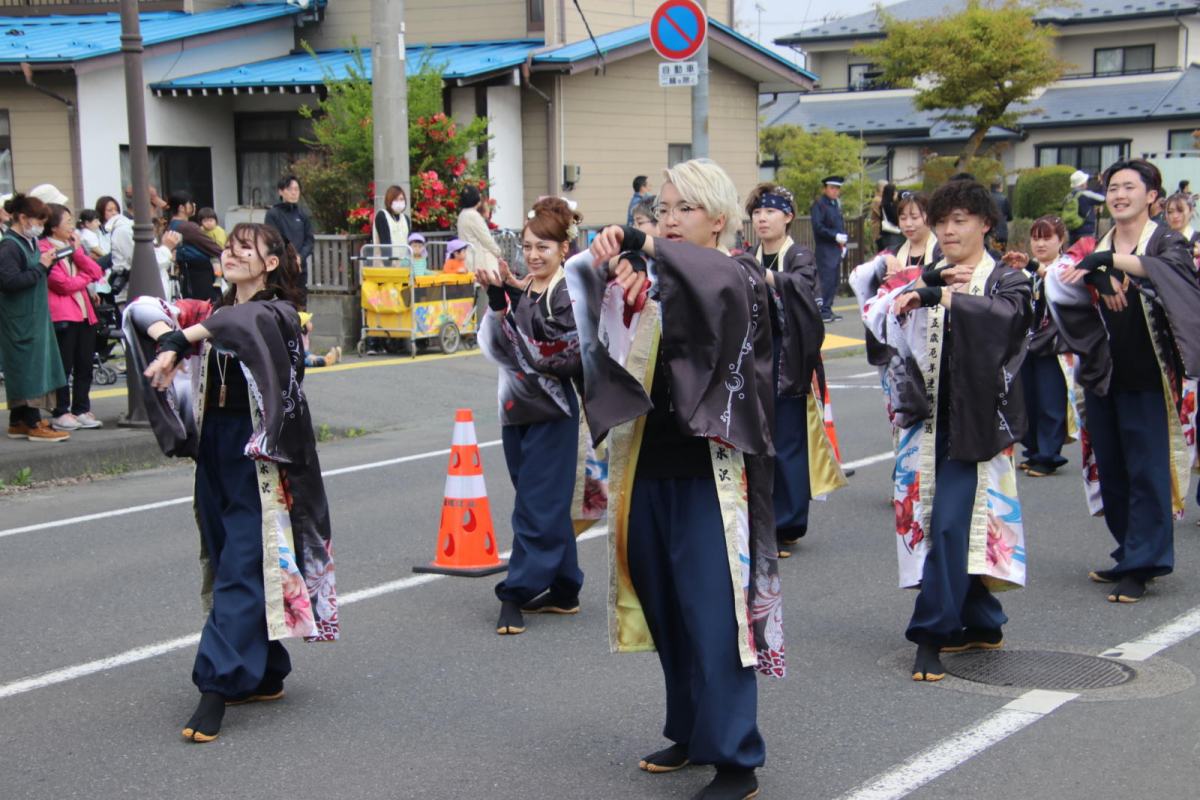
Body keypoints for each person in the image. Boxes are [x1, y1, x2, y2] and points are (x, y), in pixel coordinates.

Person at [569, 159, 783, 800]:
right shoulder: (651, 281)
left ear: (719, 219)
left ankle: (737, 757)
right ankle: (690, 728)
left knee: (714, 614)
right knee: (665, 603)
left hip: (710, 474)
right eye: (661, 209)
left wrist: (645, 248)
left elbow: (713, 284)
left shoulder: (740, 274)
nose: (668, 219)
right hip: (648, 465)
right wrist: (610, 284)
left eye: (684, 209)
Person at [126, 222, 338, 744]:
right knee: (227, 557)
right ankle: (266, 669)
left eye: (247, 247)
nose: (233, 252)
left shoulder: (281, 314)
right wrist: (169, 340)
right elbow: (141, 307)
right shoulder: (207, 312)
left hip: (257, 453)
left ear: (270, 263)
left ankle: (215, 687)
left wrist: (186, 337)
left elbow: (243, 324)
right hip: (213, 449)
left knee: (244, 564)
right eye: (229, 245)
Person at [865, 178, 1032, 682]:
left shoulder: (1008, 279)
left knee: (951, 524)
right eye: (943, 221)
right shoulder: (925, 272)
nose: (950, 229)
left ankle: (930, 635)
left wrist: (943, 298)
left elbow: (1009, 320)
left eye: (961, 219)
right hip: (925, 426)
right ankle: (982, 620)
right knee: (940, 521)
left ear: (986, 223)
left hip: (977, 430)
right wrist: (915, 291)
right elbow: (878, 318)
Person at [1047, 158, 1200, 603]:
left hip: (1149, 372)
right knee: (1110, 466)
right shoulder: (1094, 244)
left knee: (1147, 468)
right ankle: (1126, 550)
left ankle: (1144, 562)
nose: (1118, 195)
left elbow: (1173, 278)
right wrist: (1097, 269)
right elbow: (1060, 279)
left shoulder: (1167, 240)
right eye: (1113, 187)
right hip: (1101, 369)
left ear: (1152, 196)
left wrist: (1110, 261)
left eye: (1129, 187)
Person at [475, 197, 586, 636]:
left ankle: (515, 592)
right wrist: (502, 296)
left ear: (563, 249)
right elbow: (498, 346)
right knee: (543, 499)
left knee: (535, 504)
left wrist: (505, 300)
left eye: (544, 247)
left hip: (552, 410)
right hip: (516, 406)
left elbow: (554, 353)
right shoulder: (530, 288)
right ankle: (564, 586)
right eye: (528, 246)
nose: (534, 255)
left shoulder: (569, 291)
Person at [746, 182, 847, 558]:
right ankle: (763, 518)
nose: (762, 218)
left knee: (787, 441)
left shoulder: (798, 255)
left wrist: (761, 275)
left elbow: (804, 292)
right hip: (754, 357)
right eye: (757, 212)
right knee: (758, 441)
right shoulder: (749, 253)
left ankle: (787, 521)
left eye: (770, 211)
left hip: (787, 357)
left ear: (788, 217)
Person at [850, 193, 940, 446]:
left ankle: (927, 469)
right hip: (897, 344)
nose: (908, 223)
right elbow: (859, 278)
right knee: (900, 406)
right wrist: (882, 261)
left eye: (915, 216)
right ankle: (904, 463)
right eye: (903, 217)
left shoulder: (941, 251)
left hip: (930, 341)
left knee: (933, 405)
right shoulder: (892, 253)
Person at [1002, 215, 1071, 477]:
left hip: (1054, 345)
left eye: (1047, 238)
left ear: (1060, 240)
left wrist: (1033, 266)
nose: (1040, 244)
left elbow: (1060, 285)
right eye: (1036, 238)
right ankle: (1033, 449)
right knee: (1027, 398)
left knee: (1050, 401)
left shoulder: (1065, 267)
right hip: (1026, 343)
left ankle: (1049, 454)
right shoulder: (1023, 270)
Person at [0, 193, 69, 442]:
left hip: (31, 315)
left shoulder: (26, 242)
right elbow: (8, 282)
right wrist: (41, 267)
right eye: (38, 221)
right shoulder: (9, 245)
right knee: (26, 367)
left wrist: (44, 264)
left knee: (33, 365)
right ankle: (32, 421)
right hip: (20, 318)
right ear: (23, 218)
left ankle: (18, 420)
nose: (40, 226)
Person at [42, 203, 104, 431]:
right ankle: (61, 411)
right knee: (64, 366)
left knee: (85, 365)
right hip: (63, 315)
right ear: (53, 226)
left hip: (85, 313)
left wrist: (77, 250)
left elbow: (96, 271)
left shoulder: (72, 246)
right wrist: (86, 278)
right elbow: (62, 284)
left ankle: (81, 408)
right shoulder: (43, 248)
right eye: (67, 221)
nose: (72, 226)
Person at [106, 209, 180, 301]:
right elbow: (146, 262)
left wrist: (167, 254)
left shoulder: (138, 228)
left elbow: (157, 264)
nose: (155, 211)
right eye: (152, 206)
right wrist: (166, 248)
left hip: (150, 295)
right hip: (139, 297)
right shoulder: (125, 230)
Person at [264, 175, 315, 304]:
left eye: (296, 189)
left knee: (301, 302)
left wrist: (300, 256)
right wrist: (291, 256)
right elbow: (274, 237)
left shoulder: (302, 214)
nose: (294, 192)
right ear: (281, 191)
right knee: (283, 302)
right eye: (290, 189)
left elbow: (309, 239)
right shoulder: (273, 213)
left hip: (300, 267)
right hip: (281, 267)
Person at [166, 191, 222, 301]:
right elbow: (212, 247)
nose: (193, 205)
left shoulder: (172, 224)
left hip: (187, 273)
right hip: (201, 275)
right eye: (191, 203)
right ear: (182, 208)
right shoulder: (188, 227)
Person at [811, 175, 848, 322]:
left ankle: (828, 308)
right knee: (826, 280)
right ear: (825, 189)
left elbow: (840, 226)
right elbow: (818, 227)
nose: (835, 191)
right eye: (832, 188)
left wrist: (843, 245)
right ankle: (822, 310)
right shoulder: (820, 205)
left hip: (835, 247)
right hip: (825, 247)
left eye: (837, 188)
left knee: (834, 280)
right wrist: (834, 236)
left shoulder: (835, 205)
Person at [456, 185, 502, 275]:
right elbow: (485, 238)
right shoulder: (474, 216)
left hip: (467, 257)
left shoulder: (462, 214)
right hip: (477, 259)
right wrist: (497, 251)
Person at [1063, 171, 1106, 244]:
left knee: (1074, 254)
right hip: (1086, 231)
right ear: (1082, 183)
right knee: (1086, 254)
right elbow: (1103, 198)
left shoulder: (1068, 197)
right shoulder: (1085, 194)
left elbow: (1078, 209)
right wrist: (1102, 184)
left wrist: (1093, 211)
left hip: (1072, 231)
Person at [371, 185, 411, 251]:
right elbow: (384, 242)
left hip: (404, 259)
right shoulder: (382, 215)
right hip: (387, 259)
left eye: (401, 199)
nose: (399, 202)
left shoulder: (405, 218)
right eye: (395, 199)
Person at [1164, 191, 1200, 264]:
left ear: (1191, 211)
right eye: (1170, 212)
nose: (1175, 216)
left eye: (1180, 211)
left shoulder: (1198, 239)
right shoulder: (1158, 239)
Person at [989, 179, 1013, 253]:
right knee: (1001, 254)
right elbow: (1010, 216)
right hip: (1001, 232)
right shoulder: (1004, 199)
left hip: (988, 232)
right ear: (1000, 186)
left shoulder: (986, 198)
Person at [879, 182, 904, 252]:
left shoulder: (886, 204)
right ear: (891, 193)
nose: (896, 193)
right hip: (891, 233)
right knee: (895, 252)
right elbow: (894, 219)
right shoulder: (888, 205)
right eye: (895, 191)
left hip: (889, 234)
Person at [869, 179, 887, 252]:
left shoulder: (880, 199)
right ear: (880, 188)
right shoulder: (877, 200)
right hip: (878, 231)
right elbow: (883, 214)